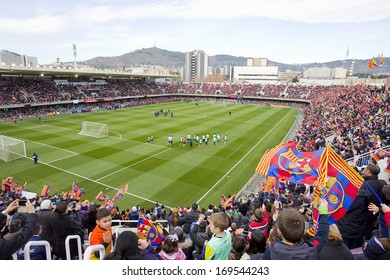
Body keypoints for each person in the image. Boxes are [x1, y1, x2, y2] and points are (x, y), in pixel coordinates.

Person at [262, 199, 329, 260]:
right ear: (304, 231)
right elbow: (322, 235)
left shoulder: (270, 251)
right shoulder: (312, 247)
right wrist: (323, 212)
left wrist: (276, 216)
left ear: (279, 232)